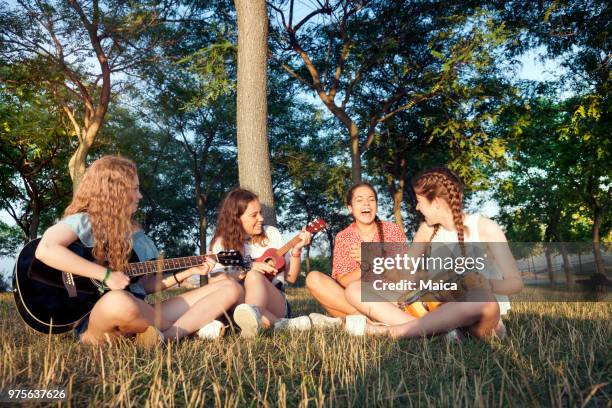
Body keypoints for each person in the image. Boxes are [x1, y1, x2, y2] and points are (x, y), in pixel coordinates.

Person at [35, 155, 243, 345]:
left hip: (142, 311)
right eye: (134, 189)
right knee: (119, 301)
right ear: (114, 191)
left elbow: (145, 286)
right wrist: (105, 274)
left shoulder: (135, 235)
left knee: (230, 287)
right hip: (100, 319)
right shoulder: (85, 222)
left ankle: (164, 337)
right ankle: (186, 328)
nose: (140, 195)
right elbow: (45, 249)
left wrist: (189, 272)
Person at [343, 167, 524, 339]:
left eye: (420, 202)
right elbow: (407, 277)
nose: (417, 208)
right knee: (354, 290)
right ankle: (438, 332)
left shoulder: (486, 228)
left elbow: (515, 283)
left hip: (479, 316)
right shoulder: (427, 230)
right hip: (436, 306)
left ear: (436, 203)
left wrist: (485, 284)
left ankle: (389, 332)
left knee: (480, 297)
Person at [207, 188, 312, 337]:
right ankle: (278, 325)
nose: (261, 219)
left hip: (275, 301)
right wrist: (247, 268)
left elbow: (291, 278)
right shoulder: (221, 243)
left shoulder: (271, 233)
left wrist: (296, 252)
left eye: (260, 213)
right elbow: (214, 283)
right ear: (236, 218)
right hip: (239, 303)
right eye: (254, 215)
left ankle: (255, 319)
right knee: (239, 283)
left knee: (254, 276)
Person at [305, 182, 406, 326]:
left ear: (376, 205)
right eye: (359, 200)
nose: (367, 204)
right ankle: (373, 320)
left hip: (389, 296)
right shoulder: (343, 237)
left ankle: (354, 321)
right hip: (355, 297)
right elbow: (343, 282)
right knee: (313, 279)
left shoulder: (392, 231)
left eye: (371, 199)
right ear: (350, 208)